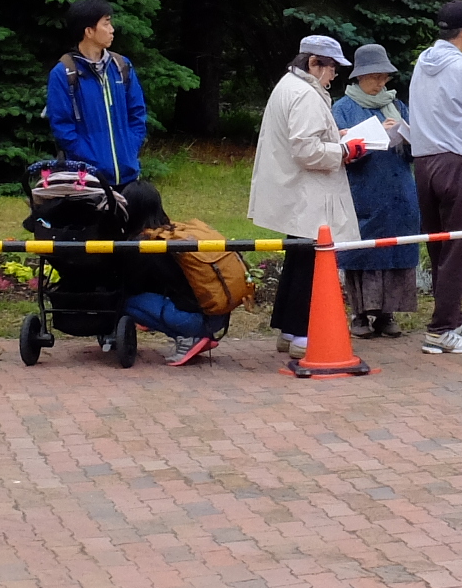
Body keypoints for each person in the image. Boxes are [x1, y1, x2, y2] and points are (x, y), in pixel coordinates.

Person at [247, 35, 360, 358]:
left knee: (298, 259)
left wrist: (335, 137)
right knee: (311, 264)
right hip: (307, 191)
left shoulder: (290, 86)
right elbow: (306, 150)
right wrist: (344, 150)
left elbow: (303, 138)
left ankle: (288, 329)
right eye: (332, 67)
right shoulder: (306, 94)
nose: (334, 74)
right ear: (313, 63)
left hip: (296, 189)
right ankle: (302, 334)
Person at [407, 0, 462, 355]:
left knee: (438, 243)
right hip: (458, 162)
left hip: (423, 161)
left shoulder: (421, 63)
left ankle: (452, 317)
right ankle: (441, 327)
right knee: (460, 245)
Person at [332, 45, 420, 338]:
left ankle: (387, 314)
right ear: (359, 77)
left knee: (395, 249)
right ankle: (359, 315)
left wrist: (405, 136)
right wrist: (375, 134)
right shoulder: (343, 108)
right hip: (364, 189)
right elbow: (340, 152)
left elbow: (415, 150)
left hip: (399, 190)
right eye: (375, 77)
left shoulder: (398, 105)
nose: (381, 83)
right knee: (362, 252)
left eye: (384, 77)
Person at [117, 179, 229, 367]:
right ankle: (197, 333)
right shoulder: (169, 233)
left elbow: (130, 285)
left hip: (195, 320)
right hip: (218, 316)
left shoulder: (144, 245)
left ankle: (188, 337)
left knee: (122, 301)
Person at [45, 0, 146, 189]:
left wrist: (131, 146)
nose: (112, 29)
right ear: (89, 31)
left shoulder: (121, 66)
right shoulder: (64, 73)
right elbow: (61, 125)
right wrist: (86, 155)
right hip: (88, 179)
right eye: (106, 23)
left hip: (128, 175)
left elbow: (137, 113)